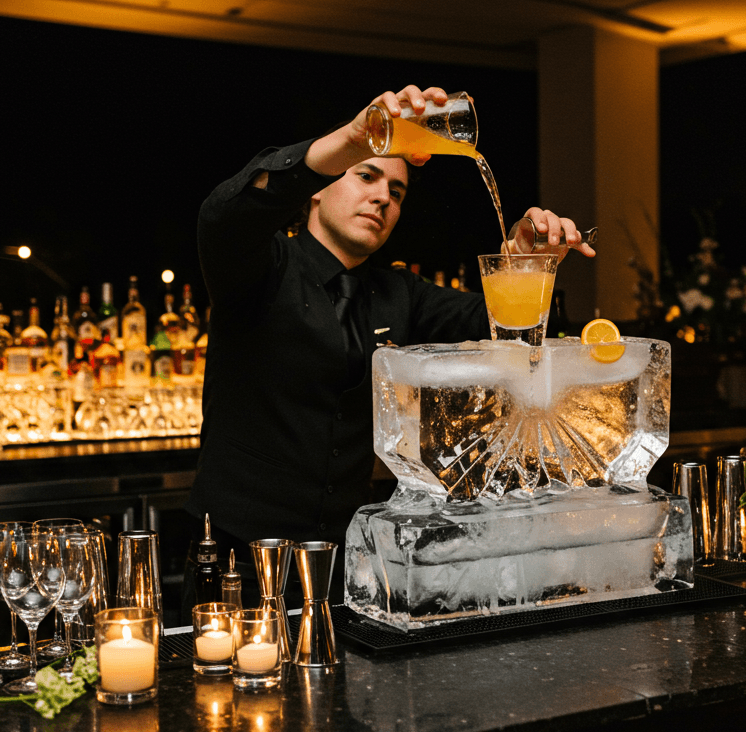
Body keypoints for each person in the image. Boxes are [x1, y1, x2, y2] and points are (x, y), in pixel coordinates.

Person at [183, 84, 594, 604]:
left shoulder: (399, 293)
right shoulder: (262, 268)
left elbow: (502, 332)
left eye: (396, 192)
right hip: (235, 555)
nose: (382, 196)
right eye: (366, 175)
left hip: (341, 558)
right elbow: (223, 214)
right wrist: (351, 141)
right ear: (318, 187)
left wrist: (527, 260)